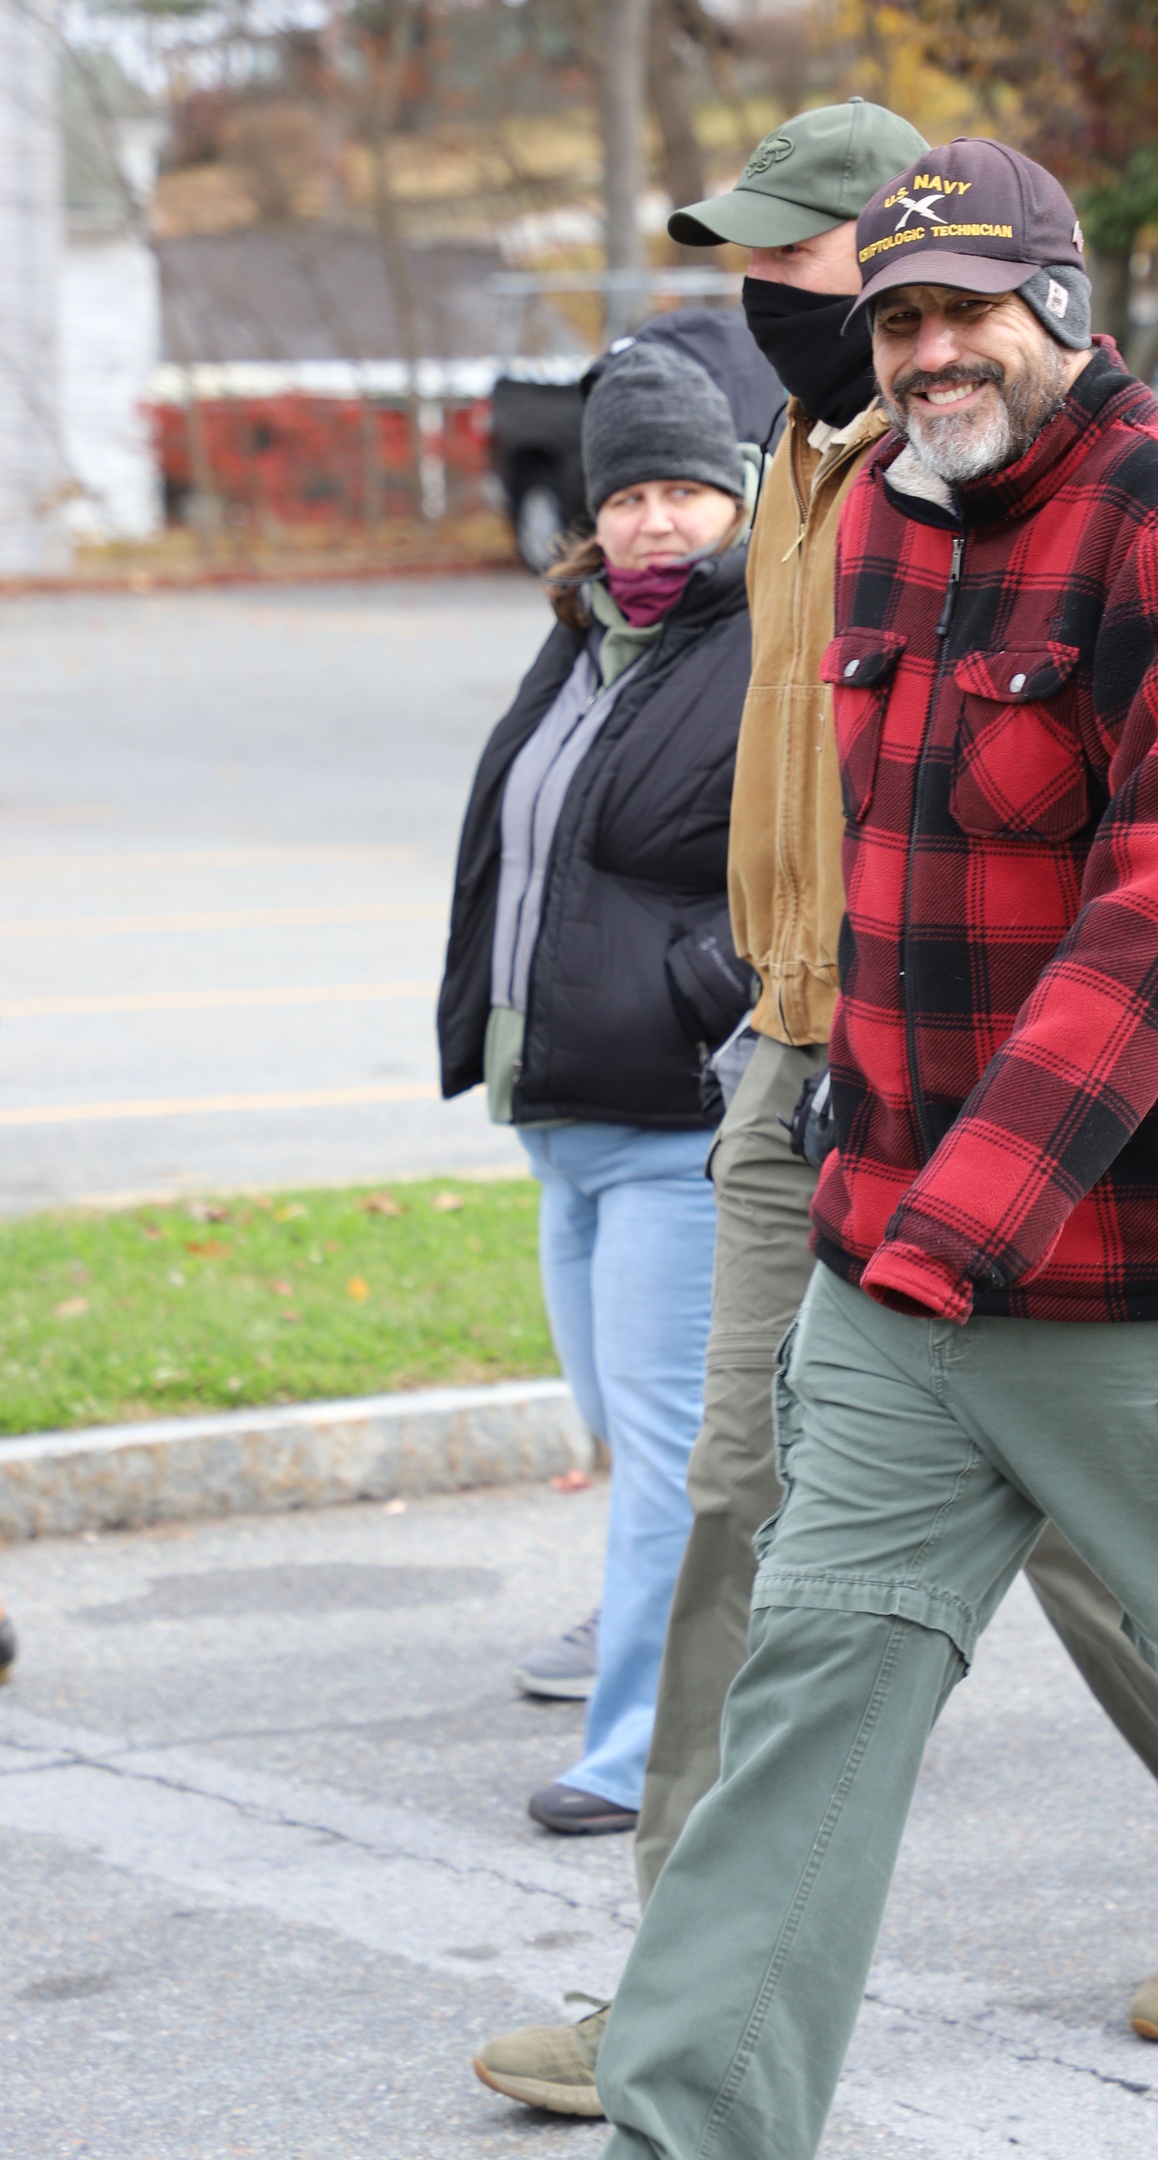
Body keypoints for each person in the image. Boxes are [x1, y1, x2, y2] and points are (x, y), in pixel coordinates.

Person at [481, 138, 1158, 2160]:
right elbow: (884, 882)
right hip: (900, 1264)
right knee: (809, 1703)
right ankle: (689, 2121)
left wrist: (960, 1214)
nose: (930, 349)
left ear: (1061, 300)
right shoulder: (881, 508)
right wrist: (864, 1181)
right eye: (897, 317)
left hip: (1151, 1275)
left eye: (965, 306)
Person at [438, 329, 766, 1837]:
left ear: (737, 496)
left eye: (684, 491)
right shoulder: (578, 640)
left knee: (676, 1460)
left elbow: (791, 871)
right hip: (557, 1115)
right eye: (627, 493)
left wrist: (698, 999)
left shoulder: (761, 643)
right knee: (623, 1437)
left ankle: (642, 1747)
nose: (653, 520)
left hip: (672, 1123)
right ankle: (784, 1664)